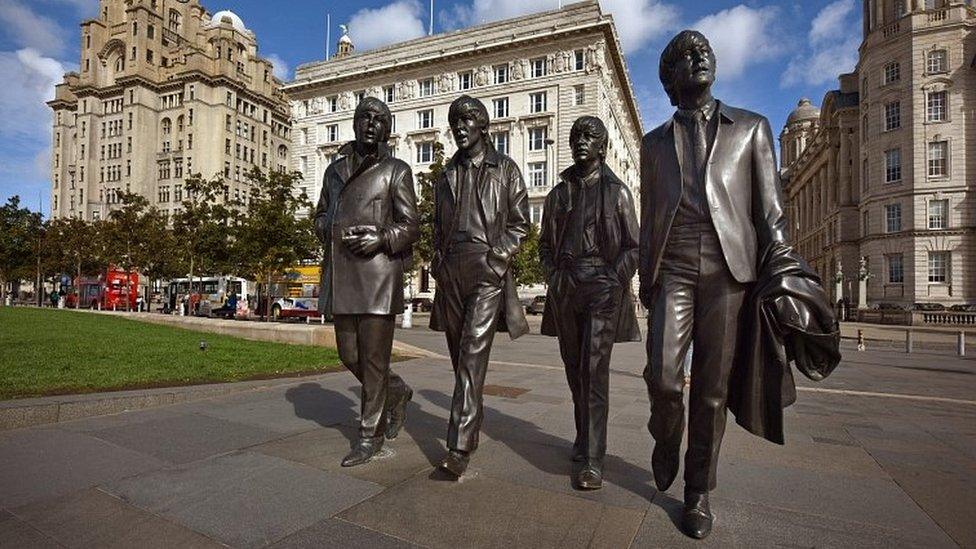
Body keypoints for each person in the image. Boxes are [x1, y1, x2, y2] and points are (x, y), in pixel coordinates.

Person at [638, 30, 791, 539]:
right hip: (673, 265)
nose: (698, 56)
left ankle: (698, 490)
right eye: (684, 54)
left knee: (710, 391)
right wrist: (645, 279)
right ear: (670, 77)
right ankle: (665, 437)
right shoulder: (652, 143)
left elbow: (770, 214)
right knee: (662, 377)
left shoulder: (752, 128)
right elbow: (648, 217)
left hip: (730, 271)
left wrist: (782, 271)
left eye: (704, 49)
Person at [314, 97, 419, 467]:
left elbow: (411, 225)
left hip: (378, 274)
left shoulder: (397, 171)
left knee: (373, 361)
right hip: (343, 273)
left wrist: (380, 238)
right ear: (355, 124)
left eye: (379, 119)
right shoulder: (335, 170)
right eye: (365, 118)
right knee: (349, 354)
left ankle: (368, 435)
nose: (371, 124)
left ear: (387, 128)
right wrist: (329, 226)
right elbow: (321, 213)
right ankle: (396, 390)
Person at [429, 95, 530, 478]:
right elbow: (437, 226)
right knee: (460, 357)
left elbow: (520, 222)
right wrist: (439, 265)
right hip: (451, 269)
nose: (459, 127)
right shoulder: (445, 174)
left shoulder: (505, 169)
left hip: (487, 268)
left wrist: (498, 258)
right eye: (455, 121)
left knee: (472, 353)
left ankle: (458, 444)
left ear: (482, 126)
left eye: (466, 120)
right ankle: (473, 415)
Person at [538, 116, 640, 490]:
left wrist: (614, 279)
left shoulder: (618, 192)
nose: (582, 141)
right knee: (573, 369)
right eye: (577, 136)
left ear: (603, 147)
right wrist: (554, 277)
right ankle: (584, 437)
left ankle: (594, 458)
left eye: (591, 136)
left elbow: (634, 246)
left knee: (594, 370)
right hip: (567, 286)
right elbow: (544, 247)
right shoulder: (558, 194)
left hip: (602, 284)